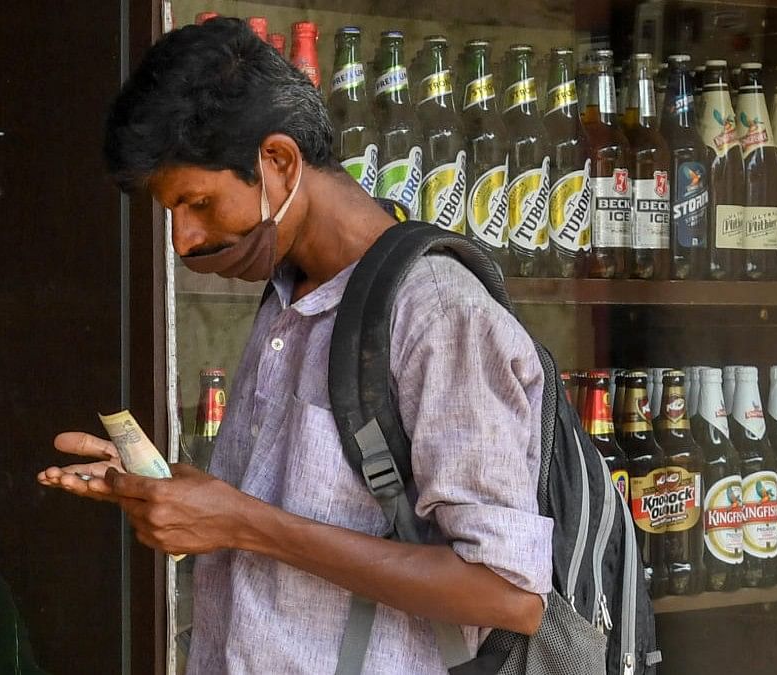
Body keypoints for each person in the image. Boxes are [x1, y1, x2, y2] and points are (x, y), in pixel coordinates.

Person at [37, 18, 551, 674]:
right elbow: (283, 508)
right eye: (172, 214)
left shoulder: (436, 314)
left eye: (197, 203)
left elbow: (507, 591)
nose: (184, 240)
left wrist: (242, 523)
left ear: (278, 162)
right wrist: (170, 488)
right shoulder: (287, 295)